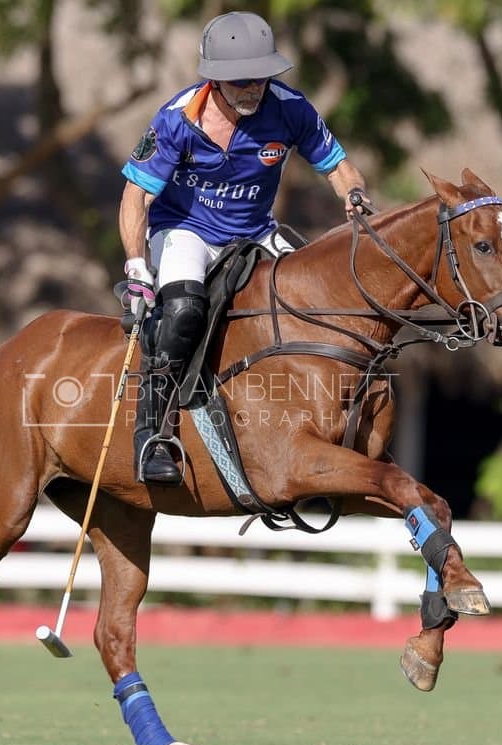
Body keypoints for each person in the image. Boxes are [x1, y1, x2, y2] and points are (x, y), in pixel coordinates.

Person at [118, 10, 372, 486]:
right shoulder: (177, 121)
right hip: (185, 230)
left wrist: (355, 196)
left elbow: (340, 168)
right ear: (215, 80)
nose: (253, 88)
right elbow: (136, 197)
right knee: (184, 311)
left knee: (319, 299)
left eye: (260, 77)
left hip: (255, 231)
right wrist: (137, 269)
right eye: (240, 81)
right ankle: (153, 431)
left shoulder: (290, 108)